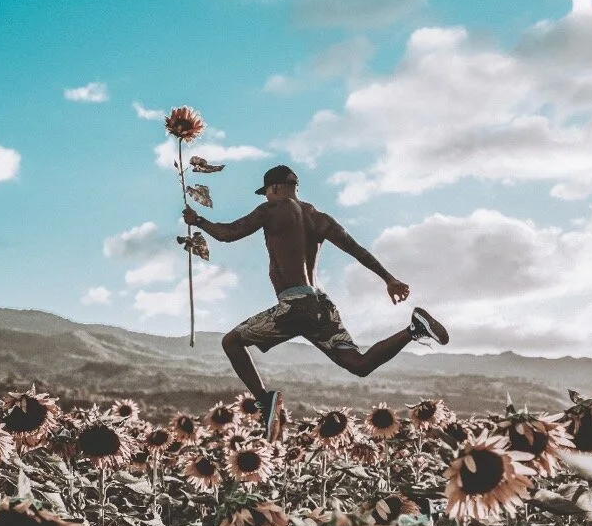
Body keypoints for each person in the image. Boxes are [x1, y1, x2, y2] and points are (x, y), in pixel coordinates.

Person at [183, 163, 448, 438]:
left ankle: (265, 402)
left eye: (266, 193)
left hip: (295, 306)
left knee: (232, 342)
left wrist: (198, 221)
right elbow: (356, 249)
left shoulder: (271, 209)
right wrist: (388, 279)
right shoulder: (317, 216)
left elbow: (228, 234)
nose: (266, 198)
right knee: (359, 364)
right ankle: (414, 329)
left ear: (274, 188)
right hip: (321, 306)